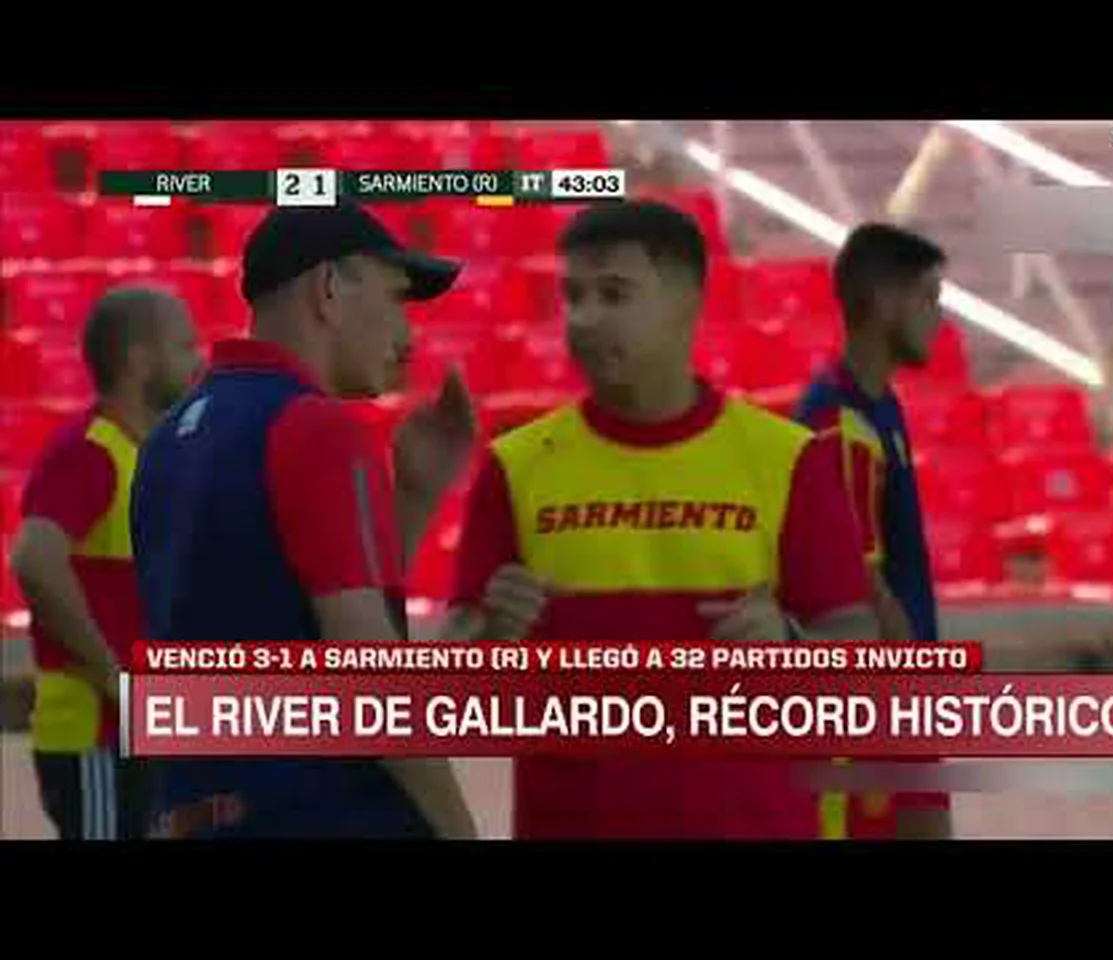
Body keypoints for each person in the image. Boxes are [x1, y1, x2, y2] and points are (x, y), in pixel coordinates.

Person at [448, 200, 897, 840]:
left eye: (614, 294)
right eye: (573, 296)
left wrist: (789, 644)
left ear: (687, 303)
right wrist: (494, 638)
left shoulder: (788, 460)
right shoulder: (515, 467)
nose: (585, 318)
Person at [130, 201, 481, 839]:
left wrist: (414, 495)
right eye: (396, 298)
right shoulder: (316, 427)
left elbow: (275, 611)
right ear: (328, 289)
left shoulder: (166, 439)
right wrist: (461, 829)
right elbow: (370, 677)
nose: (409, 336)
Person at [9, 285, 201, 839]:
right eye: (184, 346)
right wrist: (115, 680)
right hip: (95, 737)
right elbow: (33, 559)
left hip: (140, 736)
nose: (198, 361)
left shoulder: (148, 456)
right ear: (140, 360)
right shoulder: (90, 453)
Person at [794, 222, 954, 840]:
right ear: (885, 302)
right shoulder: (838, 419)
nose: (938, 318)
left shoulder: (880, 404)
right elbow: (859, 576)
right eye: (929, 298)